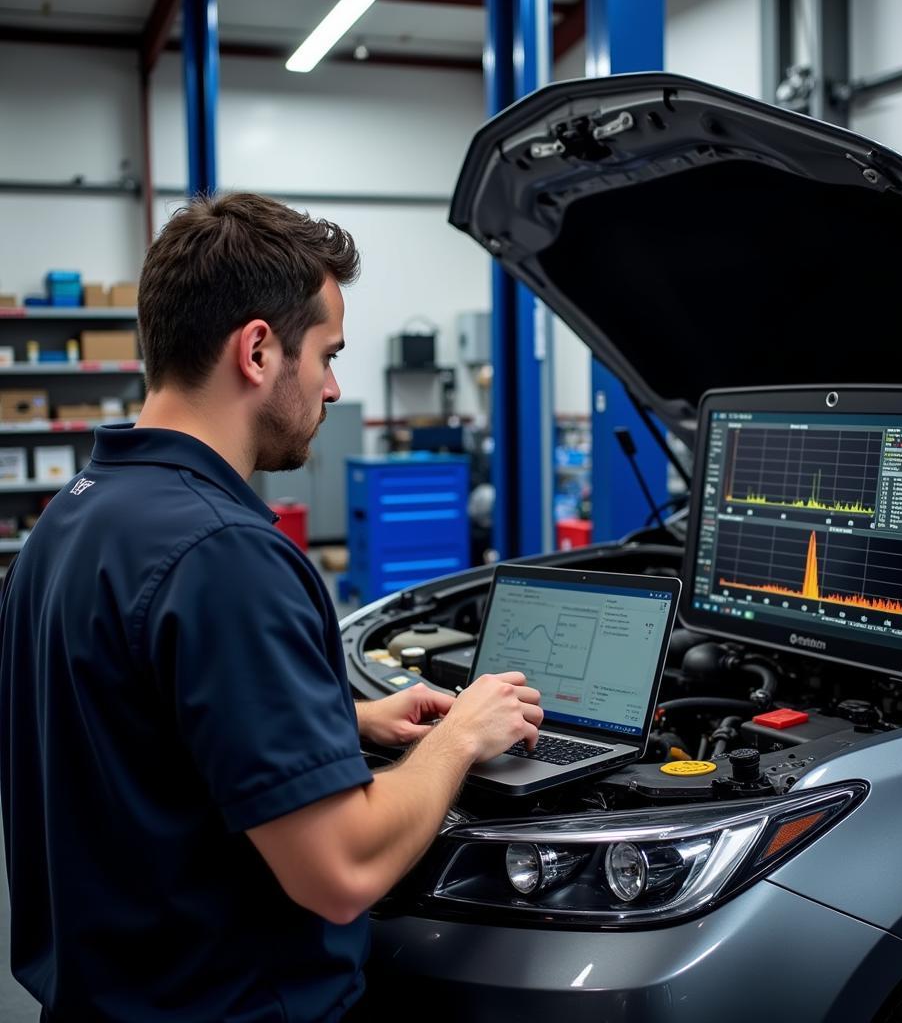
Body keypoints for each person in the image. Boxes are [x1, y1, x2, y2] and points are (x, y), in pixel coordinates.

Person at [0, 192, 543, 1023]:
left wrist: (347, 721)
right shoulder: (224, 554)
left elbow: (131, 718)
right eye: (327, 354)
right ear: (257, 350)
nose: (331, 388)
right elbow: (341, 869)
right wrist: (464, 734)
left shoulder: (76, 513)